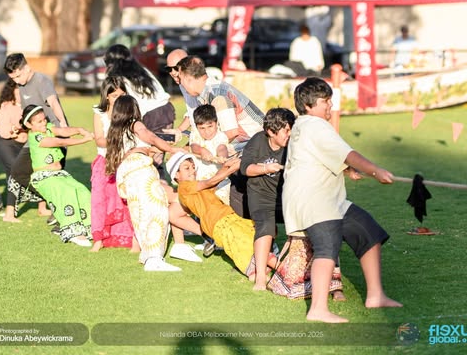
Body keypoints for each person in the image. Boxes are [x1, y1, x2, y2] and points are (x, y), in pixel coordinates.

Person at [282, 77, 402, 323]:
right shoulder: (316, 126)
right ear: (308, 106)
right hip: (315, 200)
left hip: (328, 199)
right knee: (327, 247)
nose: (330, 105)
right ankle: (318, 309)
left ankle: (376, 296)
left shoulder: (304, 125)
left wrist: (346, 169)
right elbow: (348, 153)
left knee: (368, 232)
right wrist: (375, 170)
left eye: (330, 100)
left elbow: (318, 157)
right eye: (325, 101)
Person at [105, 94, 200, 271]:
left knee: (144, 214)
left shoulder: (117, 131)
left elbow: (147, 147)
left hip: (127, 177)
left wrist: (170, 147)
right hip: (140, 171)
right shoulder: (135, 124)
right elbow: (152, 138)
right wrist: (172, 149)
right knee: (157, 211)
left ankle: (172, 247)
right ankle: (154, 258)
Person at [177, 55, 265, 217]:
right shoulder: (210, 91)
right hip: (247, 148)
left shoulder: (218, 96)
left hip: (253, 148)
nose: (179, 83)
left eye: (180, 79)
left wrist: (202, 150)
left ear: (189, 78)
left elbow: (230, 133)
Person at [167, 151, 277, 278]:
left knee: (252, 237)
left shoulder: (195, 186)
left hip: (227, 218)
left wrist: (226, 166)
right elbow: (209, 182)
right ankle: (279, 270)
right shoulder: (184, 187)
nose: (192, 171)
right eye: (187, 168)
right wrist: (231, 169)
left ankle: (268, 268)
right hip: (220, 224)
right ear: (176, 175)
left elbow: (213, 182)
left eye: (193, 167)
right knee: (245, 243)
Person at [2, 53, 68, 222]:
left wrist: (62, 124)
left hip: (53, 133)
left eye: (18, 76)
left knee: (54, 176)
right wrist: (19, 126)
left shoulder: (42, 80)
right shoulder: (21, 85)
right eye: (12, 78)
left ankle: (59, 211)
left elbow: (53, 102)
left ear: (26, 68)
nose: (16, 81)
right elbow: (28, 114)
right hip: (35, 137)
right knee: (17, 171)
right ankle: (49, 200)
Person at [23, 104, 94, 246]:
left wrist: (79, 130)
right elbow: (60, 141)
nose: (44, 123)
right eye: (39, 121)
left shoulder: (48, 128)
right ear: (29, 125)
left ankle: (89, 228)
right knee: (66, 193)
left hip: (59, 174)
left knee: (82, 191)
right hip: (44, 177)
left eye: (44, 119)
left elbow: (63, 131)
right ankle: (74, 232)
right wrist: (83, 140)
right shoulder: (36, 137)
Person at [240, 107, 295, 291]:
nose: (290, 134)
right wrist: (265, 168)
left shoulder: (294, 144)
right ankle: (261, 278)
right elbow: (245, 168)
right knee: (265, 225)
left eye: (291, 129)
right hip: (261, 196)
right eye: (286, 130)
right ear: (271, 132)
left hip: (286, 197)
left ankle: (304, 270)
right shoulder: (258, 141)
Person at [91, 78, 136, 252]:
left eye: (122, 95)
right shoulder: (100, 113)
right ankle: (99, 238)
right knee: (99, 199)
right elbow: (99, 139)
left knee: (124, 199)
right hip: (105, 160)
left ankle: (131, 237)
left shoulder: (128, 113)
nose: (119, 99)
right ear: (107, 96)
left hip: (125, 160)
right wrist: (116, 142)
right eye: (115, 95)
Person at [189, 104, 234, 205]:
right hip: (200, 181)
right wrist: (201, 150)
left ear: (216, 123)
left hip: (219, 183)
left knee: (219, 205)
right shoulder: (195, 135)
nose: (207, 131)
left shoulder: (220, 136)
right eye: (202, 128)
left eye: (210, 126)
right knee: (202, 205)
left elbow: (221, 147)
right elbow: (194, 146)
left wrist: (222, 157)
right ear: (196, 127)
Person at [165, 48, 197, 133]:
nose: (173, 72)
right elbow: (192, 113)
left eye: (176, 68)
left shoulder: (204, 86)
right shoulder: (183, 84)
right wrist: (178, 131)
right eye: (169, 69)